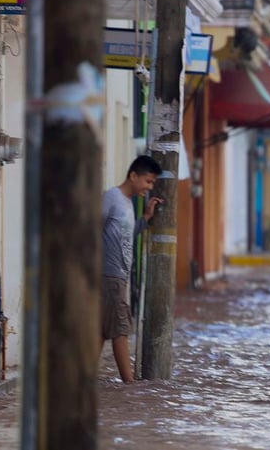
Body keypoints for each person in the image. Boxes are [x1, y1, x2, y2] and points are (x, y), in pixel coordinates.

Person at [100, 155, 164, 383]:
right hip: (109, 275)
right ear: (133, 175)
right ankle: (129, 386)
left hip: (118, 276)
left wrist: (145, 218)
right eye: (148, 181)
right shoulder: (112, 197)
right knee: (120, 330)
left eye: (152, 184)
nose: (149, 187)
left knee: (102, 330)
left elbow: (125, 236)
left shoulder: (127, 204)